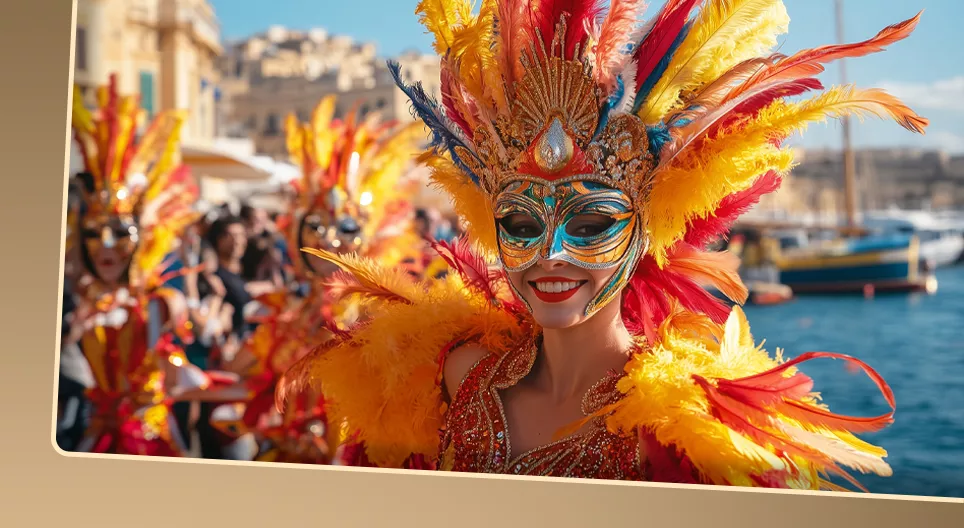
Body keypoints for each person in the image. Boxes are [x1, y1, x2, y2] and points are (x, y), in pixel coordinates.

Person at [278, 0, 927, 490]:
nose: (549, 254)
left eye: (590, 225)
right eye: (522, 225)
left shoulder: (689, 431)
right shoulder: (447, 377)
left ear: (644, 230)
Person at [207, 95, 429, 465]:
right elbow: (249, 375)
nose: (328, 239)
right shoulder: (290, 309)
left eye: (345, 226)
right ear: (295, 232)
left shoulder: (389, 312)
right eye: (315, 226)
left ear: (370, 232)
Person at [63, 74, 225, 456]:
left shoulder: (158, 303)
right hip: (94, 440)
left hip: (150, 441)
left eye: (118, 232)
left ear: (142, 236)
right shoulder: (76, 301)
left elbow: (177, 374)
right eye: (95, 232)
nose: (106, 247)